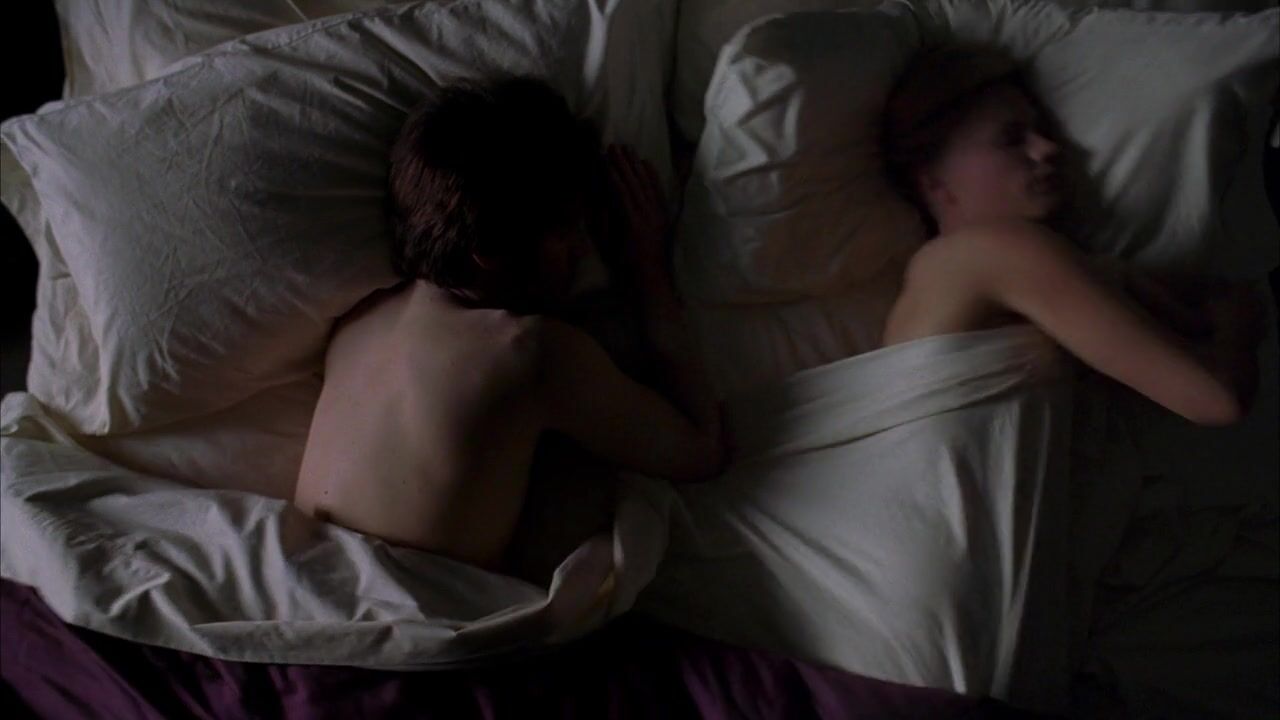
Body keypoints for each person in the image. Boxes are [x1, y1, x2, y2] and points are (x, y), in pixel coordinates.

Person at [293, 77, 727, 572]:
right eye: (565, 232)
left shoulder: (355, 324)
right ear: (491, 253)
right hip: (416, 614)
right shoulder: (529, 352)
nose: (582, 249)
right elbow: (702, 451)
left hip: (309, 589)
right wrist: (649, 269)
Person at [879, 46, 1264, 426]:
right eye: (1012, 138)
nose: (1047, 148)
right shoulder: (992, 250)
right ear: (933, 183)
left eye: (1042, 132)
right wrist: (1239, 325)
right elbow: (1215, 400)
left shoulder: (951, 270)